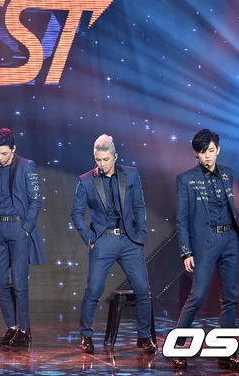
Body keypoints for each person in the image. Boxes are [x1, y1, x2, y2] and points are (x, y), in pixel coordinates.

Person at [171, 129, 239, 369]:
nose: (207, 155)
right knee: (197, 296)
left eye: (211, 151)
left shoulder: (227, 173)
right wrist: (186, 252)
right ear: (196, 153)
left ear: (218, 150)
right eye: (203, 151)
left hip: (229, 239)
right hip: (205, 243)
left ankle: (227, 351)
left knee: (231, 296)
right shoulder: (186, 179)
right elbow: (181, 219)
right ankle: (178, 346)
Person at [70, 134, 155, 355]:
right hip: (103, 240)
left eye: (106, 159)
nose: (102, 164)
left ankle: (144, 336)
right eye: (98, 160)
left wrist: (141, 234)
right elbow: (76, 213)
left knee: (142, 289)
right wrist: (90, 238)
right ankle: (86, 335)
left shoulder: (131, 174)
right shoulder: (86, 181)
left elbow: (139, 205)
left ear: (115, 157)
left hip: (130, 240)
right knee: (94, 289)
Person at [0, 128, 46, 347]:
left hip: (18, 228)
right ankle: (11, 327)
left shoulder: (27, 166)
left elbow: (36, 200)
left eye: (3, 153)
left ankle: (24, 329)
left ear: (13, 149)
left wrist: (26, 228)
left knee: (19, 282)